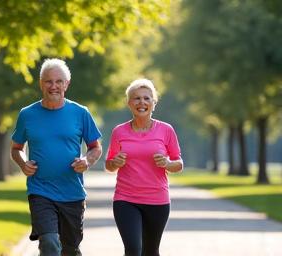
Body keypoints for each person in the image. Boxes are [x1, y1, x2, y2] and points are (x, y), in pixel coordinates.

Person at [10, 58, 102, 256]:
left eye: (59, 81)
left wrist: (87, 160)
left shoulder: (80, 113)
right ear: (41, 83)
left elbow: (95, 147)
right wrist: (23, 162)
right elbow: (16, 147)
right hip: (40, 190)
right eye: (48, 81)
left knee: (70, 249)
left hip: (72, 193)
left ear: (66, 84)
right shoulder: (27, 114)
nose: (54, 86)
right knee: (50, 243)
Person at [105, 78, 183, 256]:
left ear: (154, 103)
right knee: (133, 249)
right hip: (125, 199)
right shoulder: (119, 131)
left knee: (150, 251)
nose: (142, 102)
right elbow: (109, 165)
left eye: (147, 98)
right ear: (129, 103)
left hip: (157, 200)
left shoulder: (166, 130)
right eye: (136, 98)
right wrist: (115, 162)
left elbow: (178, 163)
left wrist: (167, 163)